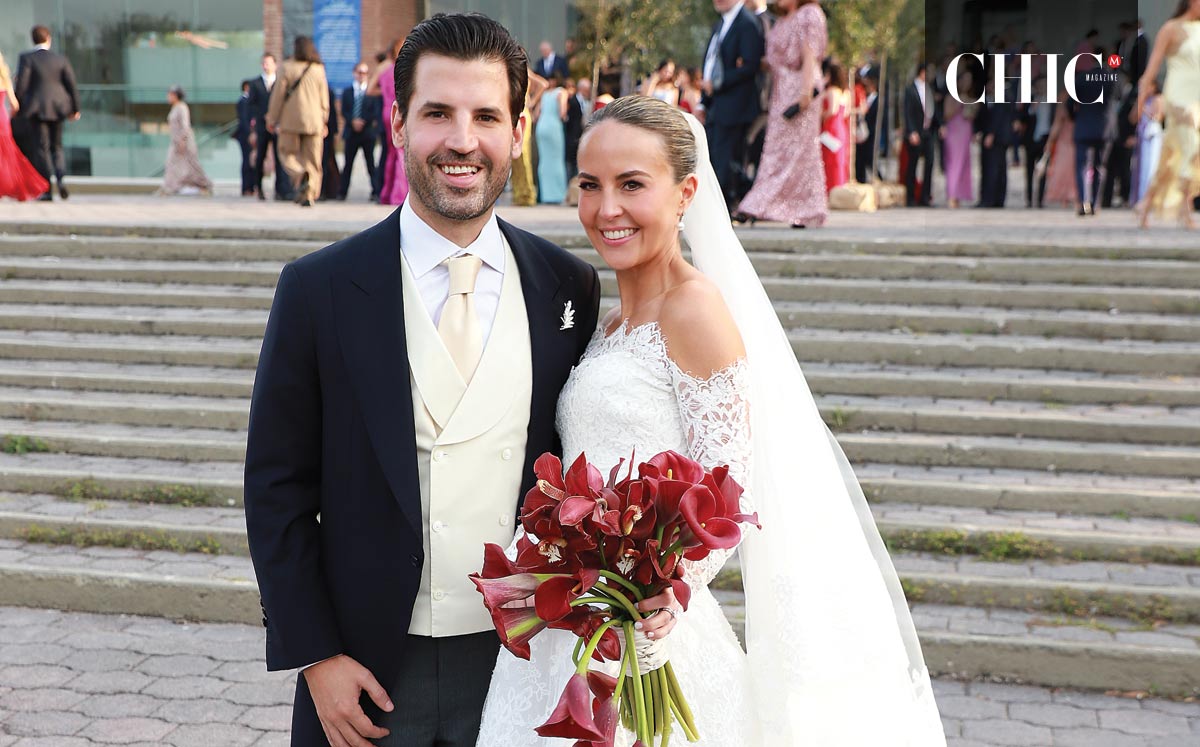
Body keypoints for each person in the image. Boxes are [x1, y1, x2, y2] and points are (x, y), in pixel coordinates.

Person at [477, 93, 947, 747]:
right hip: (577, 618)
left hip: (647, 626)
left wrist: (666, 590)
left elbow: (729, 486)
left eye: (631, 185)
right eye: (590, 185)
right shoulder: (607, 322)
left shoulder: (692, 308)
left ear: (685, 194)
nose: (606, 208)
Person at [245, 14, 601, 746]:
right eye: (438, 113)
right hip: (367, 668)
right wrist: (315, 653)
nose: (462, 140)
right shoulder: (318, 288)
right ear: (399, 123)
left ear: (517, 131)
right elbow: (276, 486)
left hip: (521, 662)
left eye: (486, 117)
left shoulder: (567, 286)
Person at [736, 0, 827, 228]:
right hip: (780, 92)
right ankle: (782, 206)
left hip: (800, 89)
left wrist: (805, 93)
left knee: (800, 151)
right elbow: (774, 61)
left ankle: (769, 205)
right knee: (777, 151)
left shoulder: (809, 14)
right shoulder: (782, 21)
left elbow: (810, 56)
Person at [1135, 0, 1200, 229]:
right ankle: (1185, 210)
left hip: (1197, 97)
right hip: (1178, 97)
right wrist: (1139, 103)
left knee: (1173, 156)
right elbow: (1151, 70)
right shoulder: (1170, 29)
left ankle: (1146, 204)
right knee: (1192, 147)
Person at [700, 0, 766, 210]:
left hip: (735, 105)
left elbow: (750, 65)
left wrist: (718, 82)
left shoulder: (747, 23)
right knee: (715, 158)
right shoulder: (720, 23)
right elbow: (711, 61)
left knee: (727, 162)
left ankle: (729, 208)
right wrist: (703, 101)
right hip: (716, 104)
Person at [13, 25, 79, 202]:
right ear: (48, 38)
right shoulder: (60, 59)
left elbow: (22, 85)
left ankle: (47, 189)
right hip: (58, 108)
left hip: (37, 110)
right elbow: (71, 85)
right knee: (57, 146)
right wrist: (75, 109)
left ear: (33, 39)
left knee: (42, 148)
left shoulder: (27, 58)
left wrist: (18, 106)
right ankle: (61, 178)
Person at [267, 36, 329, 207]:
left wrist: (272, 118)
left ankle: (299, 174)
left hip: (291, 121)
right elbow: (324, 99)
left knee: (286, 153)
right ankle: (309, 194)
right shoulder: (318, 69)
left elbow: (278, 97)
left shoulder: (286, 67)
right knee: (313, 160)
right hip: (314, 121)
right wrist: (324, 120)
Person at [0, 48, 50, 201]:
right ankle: (15, 186)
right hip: (2, 120)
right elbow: (14, 104)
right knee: (8, 155)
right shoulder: (5, 81)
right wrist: (11, 115)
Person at [1068, 53, 1109, 216]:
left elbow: (1070, 103)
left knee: (1081, 166)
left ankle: (1083, 201)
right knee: (1100, 166)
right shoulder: (1111, 79)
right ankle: (1094, 203)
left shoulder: (1081, 79)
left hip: (1083, 127)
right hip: (1104, 129)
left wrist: (1076, 117)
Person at [249, 53, 293, 201]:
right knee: (260, 157)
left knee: (280, 158)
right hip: (262, 127)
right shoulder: (255, 84)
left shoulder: (281, 82)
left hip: (277, 127)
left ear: (275, 64)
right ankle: (259, 187)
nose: (265, 66)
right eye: (264, 63)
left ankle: (281, 189)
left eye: (268, 63)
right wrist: (257, 125)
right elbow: (252, 106)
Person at [158, 86, 212, 196]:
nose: (168, 97)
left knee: (192, 164)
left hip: (184, 142)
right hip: (175, 142)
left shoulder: (182, 107)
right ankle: (168, 187)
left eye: (170, 95)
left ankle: (204, 184)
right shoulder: (175, 108)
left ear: (175, 96)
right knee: (171, 163)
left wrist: (183, 140)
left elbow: (185, 125)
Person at [340, 61, 380, 200]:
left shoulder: (371, 92)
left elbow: (374, 111)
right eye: (360, 72)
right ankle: (342, 192)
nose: (362, 75)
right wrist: (352, 121)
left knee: (370, 163)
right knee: (348, 164)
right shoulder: (347, 92)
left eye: (365, 73)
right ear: (354, 73)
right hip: (351, 132)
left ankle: (375, 191)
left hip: (367, 132)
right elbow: (344, 110)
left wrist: (363, 121)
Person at [378, 39, 410, 206]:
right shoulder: (404, 71)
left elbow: (370, 89)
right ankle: (398, 194)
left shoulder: (384, 72)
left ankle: (386, 192)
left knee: (391, 154)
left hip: (387, 112)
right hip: (400, 112)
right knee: (401, 154)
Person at [940, 68, 975, 208]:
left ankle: (959, 195)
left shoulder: (970, 97)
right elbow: (947, 114)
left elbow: (971, 115)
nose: (967, 83)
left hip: (965, 133)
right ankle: (952, 195)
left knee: (963, 165)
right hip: (954, 133)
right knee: (953, 164)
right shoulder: (951, 97)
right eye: (964, 80)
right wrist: (960, 103)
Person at [903, 62, 936, 207]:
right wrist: (911, 131)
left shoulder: (929, 89)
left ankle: (925, 197)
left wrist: (940, 125)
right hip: (916, 131)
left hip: (928, 132)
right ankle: (910, 197)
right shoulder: (910, 90)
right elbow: (907, 112)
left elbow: (934, 109)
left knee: (929, 163)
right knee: (913, 164)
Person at [1019, 76, 1054, 208]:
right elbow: (1022, 118)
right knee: (1029, 170)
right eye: (1039, 85)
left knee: (1043, 171)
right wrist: (1032, 109)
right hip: (1030, 140)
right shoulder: (1030, 100)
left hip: (1045, 139)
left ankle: (1040, 200)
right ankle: (1029, 199)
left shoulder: (1052, 102)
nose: (1042, 87)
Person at [534, 72, 568, 204]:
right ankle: (558, 194)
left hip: (541, 127)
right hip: (553, 126)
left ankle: (545, 194)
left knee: (544, 161)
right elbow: (562, 112)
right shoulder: (561, 92)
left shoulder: (544, 94)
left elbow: (537, 114)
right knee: (556, 160)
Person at [819, 58, 850, 193]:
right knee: (839, 161)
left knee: (829, 161)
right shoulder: (846, 92)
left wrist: (821, 116)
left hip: (830, 128)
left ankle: (830, 188)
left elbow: (832, 110)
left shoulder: (831, 90)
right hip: (841, 128)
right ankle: (839, 187)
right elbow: (846, 112)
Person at [1133, 78, 1164, 206]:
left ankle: (1149, 199)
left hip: (1152, 136)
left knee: (1151, 166)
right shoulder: (1142, 99)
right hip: (1142, 135)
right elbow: (1133, 118)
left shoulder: (1159, 99)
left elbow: (1158, 117)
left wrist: (1145, 108)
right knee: (1140, 168)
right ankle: (1140, 198)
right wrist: (1140, 102)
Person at [234, 80, 256, 196]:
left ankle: (251, 186)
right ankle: (247, 187)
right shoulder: (243, 101)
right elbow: (243, 120)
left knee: (251, 161)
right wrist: (250, 134)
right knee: (247, 161)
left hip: (249, 134)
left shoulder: (249, 101)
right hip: (246, 136)